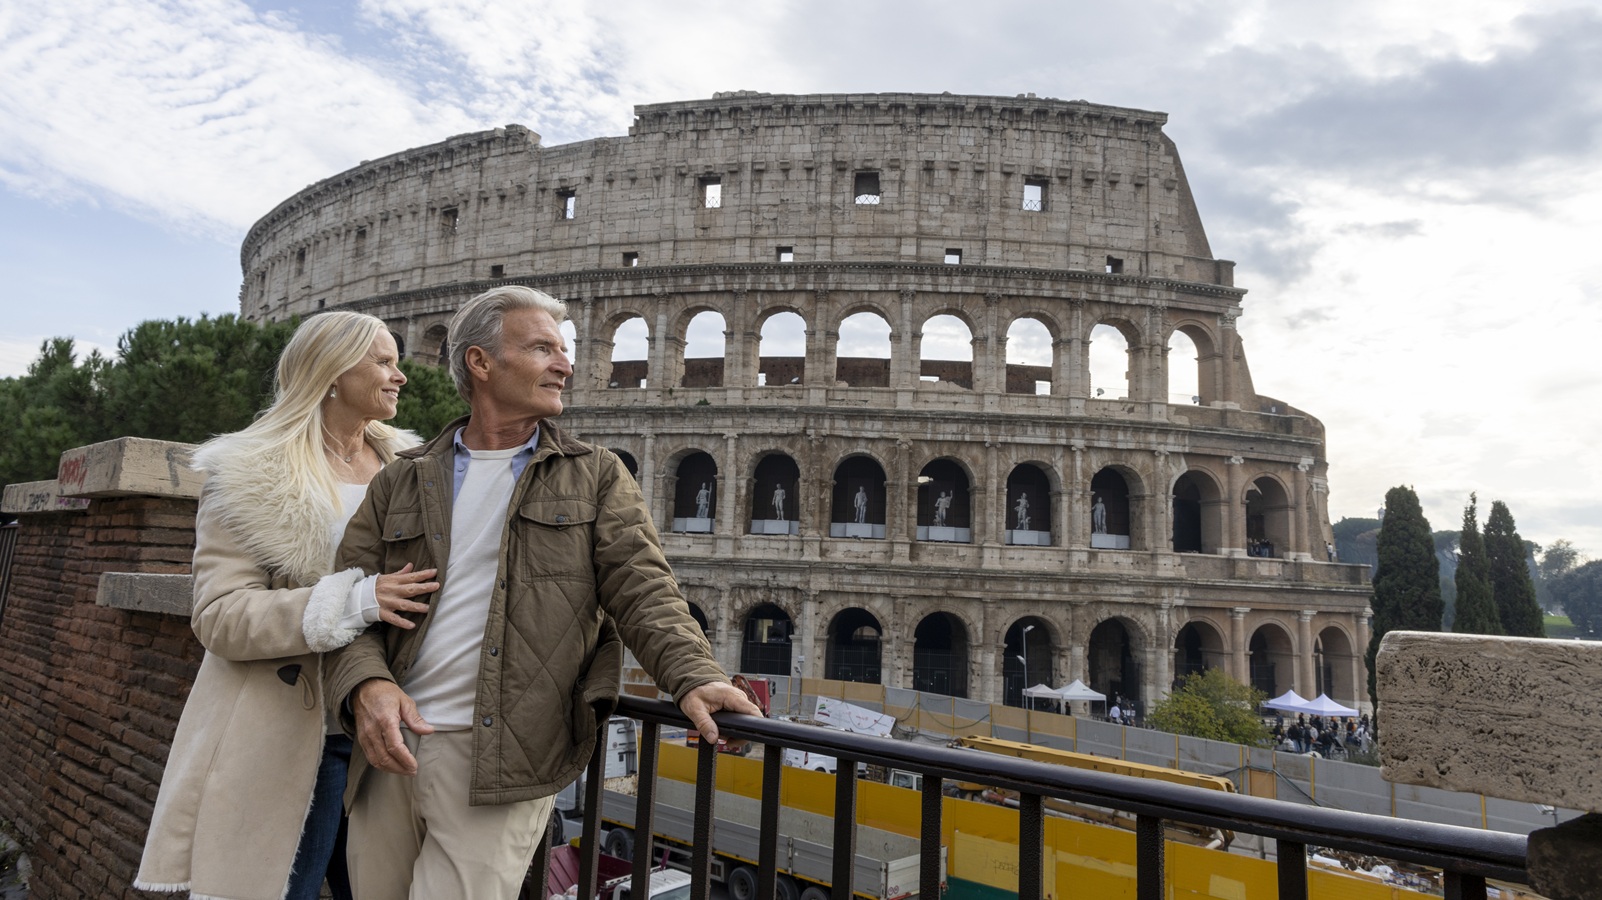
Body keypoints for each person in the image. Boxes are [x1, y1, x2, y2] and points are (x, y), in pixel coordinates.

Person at [325, 286, 762, 900]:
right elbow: (344, 605)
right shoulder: (401, 478)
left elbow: (644, 589)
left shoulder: (597, 474)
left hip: (503, 761)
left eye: (565, 349)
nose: (566, 364)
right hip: (389, 751)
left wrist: (693, 675)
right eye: (542, 348)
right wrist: (367, 686)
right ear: (480, 363)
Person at [136, 312, 440, 900]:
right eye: (383, 361)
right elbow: (220, 615)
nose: (400, 375)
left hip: (396, 731)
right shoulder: (250, 472)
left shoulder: (412, 471)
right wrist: (354, 600)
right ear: (331, 373)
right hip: (300, 732)